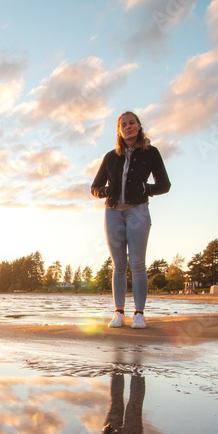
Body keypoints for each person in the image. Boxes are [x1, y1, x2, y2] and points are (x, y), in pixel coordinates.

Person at [90, 111, 170, 328]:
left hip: (138, 211)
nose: (128, 127)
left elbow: (165, 184)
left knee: (137, 264)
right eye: (123, 124)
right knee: (119, 266)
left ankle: (139, 314)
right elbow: (94, 187)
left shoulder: (150, 153)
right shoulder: (110, 157)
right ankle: (118, 313)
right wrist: (106, 192)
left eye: (131, 123)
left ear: (138, 125)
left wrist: (145, 188)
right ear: (119, 130)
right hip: (113, 213)